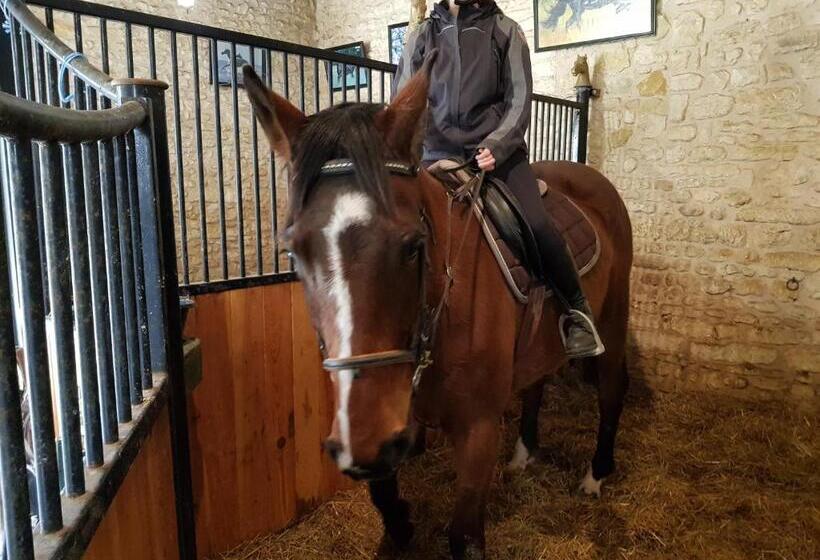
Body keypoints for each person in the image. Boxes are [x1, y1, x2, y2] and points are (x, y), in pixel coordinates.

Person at [393, 0, 603, 358]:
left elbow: (520, 99)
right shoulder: (420, 36)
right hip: (435, 155)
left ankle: (577, 312)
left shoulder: (507, 31)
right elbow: (403, 99)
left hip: (495, 154)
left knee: (537, 224)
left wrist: (498, 143)